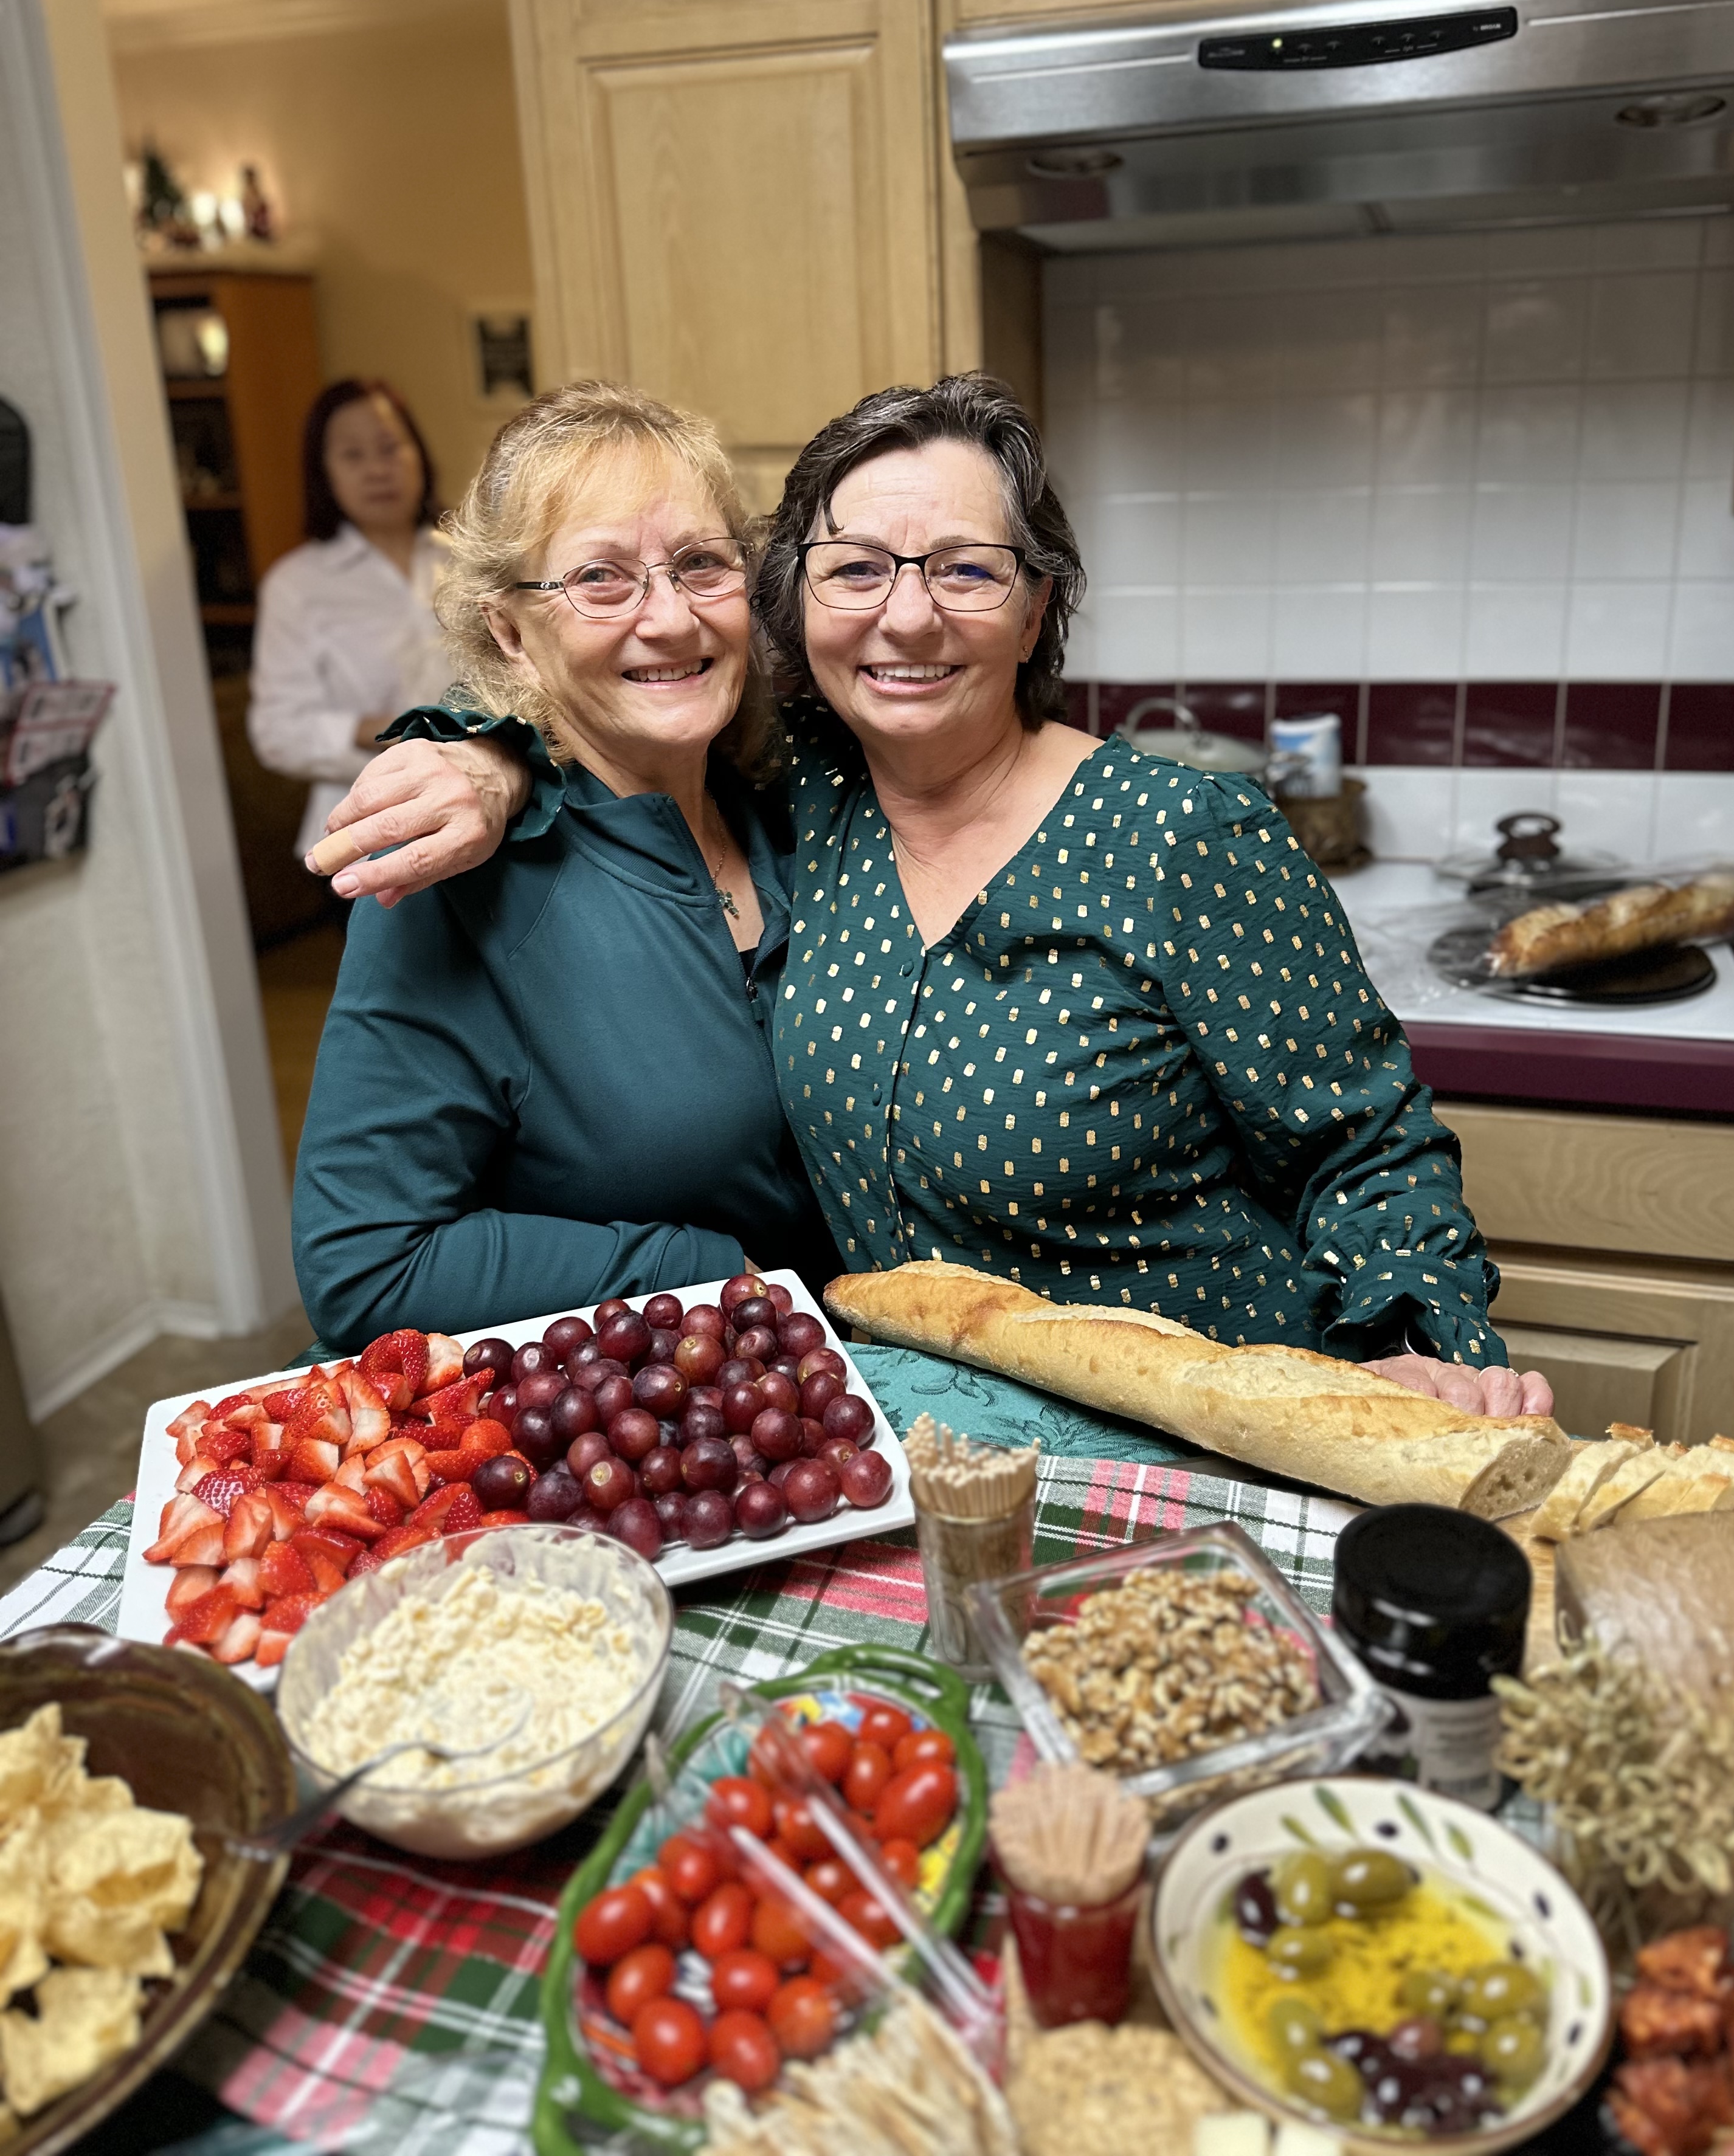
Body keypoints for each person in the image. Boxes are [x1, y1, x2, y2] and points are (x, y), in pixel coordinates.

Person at [314, 375, 1551, 1449]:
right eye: (856, 569)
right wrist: (486, 757)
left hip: (1213, 1431)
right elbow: (592, 739)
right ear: (805, 602)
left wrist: (1414, 1346)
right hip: (905, 1441)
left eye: (965, 569)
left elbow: (1364, 1143)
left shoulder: (1166, 835)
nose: (906, 615)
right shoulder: (806, 801)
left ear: (1036, 605)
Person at [289, 382, 836, 1354]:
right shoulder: (455, 880)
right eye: (601, 579)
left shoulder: (792, 801)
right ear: (510, 631)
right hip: (657, 1410)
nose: (672, 619)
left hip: (864, 1383)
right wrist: (700, 1273)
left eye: (702, 564)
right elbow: (366, 1265)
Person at [247, 379, 452, 855]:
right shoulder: (298, 585)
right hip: (364, 835)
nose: (378, 469)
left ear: (418, 454)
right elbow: (277, 732)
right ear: (325, 474)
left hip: (490, 812)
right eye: (353, 455)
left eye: (389, 447)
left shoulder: (470, 561)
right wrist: (379, 729)